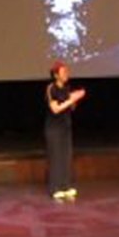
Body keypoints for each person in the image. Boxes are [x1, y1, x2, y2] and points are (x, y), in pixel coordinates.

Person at [45, 60, 86, 200]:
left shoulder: (67, 87)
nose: (66, 74)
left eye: (66, 72)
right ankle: (55, 188)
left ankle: (66, 186)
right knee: (56, 156)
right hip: (54, 128)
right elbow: (55, 109)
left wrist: (75, 99)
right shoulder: (51, 88)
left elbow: (71, 107)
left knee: (66, 156)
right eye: (63, 72)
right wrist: (71, 99)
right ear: (56, 75)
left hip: (65, 126)